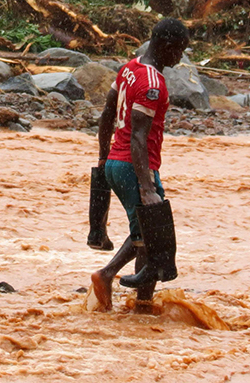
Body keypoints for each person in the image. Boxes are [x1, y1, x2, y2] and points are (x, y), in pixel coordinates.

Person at [90, 18, 189, 313]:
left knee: (146, 236)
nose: (181, 57)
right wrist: (147, 187)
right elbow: (138, 135)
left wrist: (102, 156)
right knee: (151, 232)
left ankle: (142, 304)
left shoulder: (129, 69)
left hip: (115, 164)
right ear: (168, 47)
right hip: (134, 166)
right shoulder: (153, 83)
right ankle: (107, 276)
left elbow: (107, 113)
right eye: (180, 50)